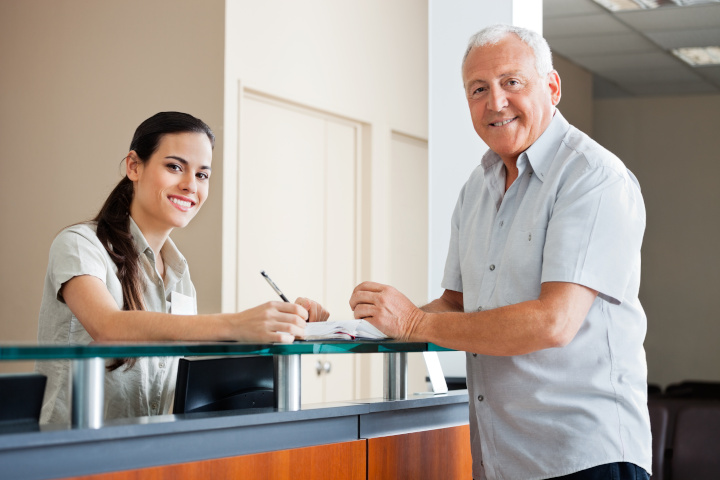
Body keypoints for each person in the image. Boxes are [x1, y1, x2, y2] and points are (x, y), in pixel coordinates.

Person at [350, 24, 651, 480]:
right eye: (478, 89)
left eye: (512, 82)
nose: (495, 102)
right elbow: (455, 305)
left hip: (585, 458)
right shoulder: (477, 187)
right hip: (503, 459)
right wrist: (363, 325)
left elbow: (555, 322)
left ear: (551, 87)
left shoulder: (593, 177)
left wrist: (413, 323)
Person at [36, 111, 329, 425]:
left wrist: (281, 324)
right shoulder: (80, 244)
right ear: (134, 166)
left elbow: (183, 348)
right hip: (72, 452)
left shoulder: (179, 274)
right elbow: (108, 326)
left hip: (151, 451)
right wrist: (236, 324)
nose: (191, 185)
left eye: (202, 175)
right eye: (175, 167)